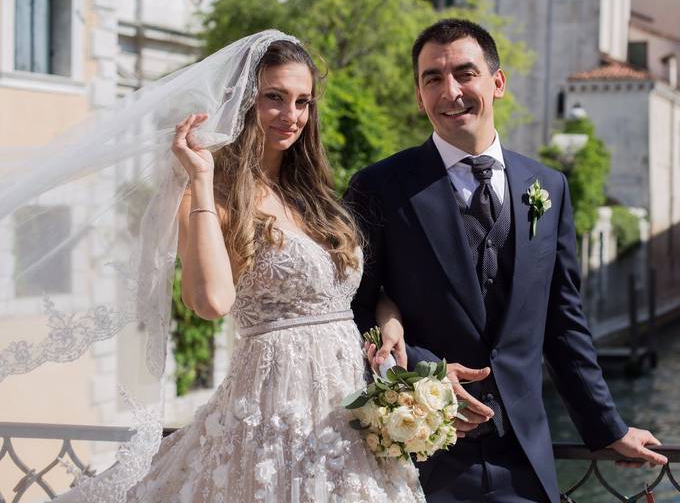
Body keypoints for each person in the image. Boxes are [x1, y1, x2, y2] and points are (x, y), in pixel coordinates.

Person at [37, 32, 425, 502]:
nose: (292, 115)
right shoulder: (208, 196)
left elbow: (339, 289)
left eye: (302, 102)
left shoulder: (316, 196)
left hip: (346, 413)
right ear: (243, 102)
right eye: (274, 98)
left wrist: (388, 317)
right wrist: (200, 180)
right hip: (273, 411)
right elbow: (210, 302)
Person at [346, 19, 667, 503]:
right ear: (419, 96)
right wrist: (426, 375)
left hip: (525, 459)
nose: (449, 90)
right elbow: (353, 310)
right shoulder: (379, 187)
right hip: (422, 456)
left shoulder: (548, 186)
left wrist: (607, 427)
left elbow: (563, 321)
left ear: (497, 83)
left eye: (464, 73)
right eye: (432, 78)